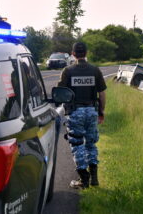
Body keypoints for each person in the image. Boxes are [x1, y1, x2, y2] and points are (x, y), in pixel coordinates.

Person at [58, 42, 106, 189]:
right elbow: (102, 94)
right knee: (91, 144)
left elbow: (60, 93)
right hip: (92, 111)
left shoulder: (68, 71)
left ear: (73, 54)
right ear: (86, 53)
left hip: (75, 112)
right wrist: (101, 112)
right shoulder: (95, 70)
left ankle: (83, 179)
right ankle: (94, 178)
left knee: (77, 144)